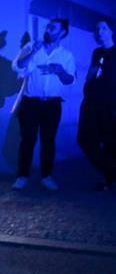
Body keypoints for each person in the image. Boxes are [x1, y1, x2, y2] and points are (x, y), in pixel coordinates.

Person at [12, 18, 76, 191]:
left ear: (62, 32)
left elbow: (70, 80)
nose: (48, 30)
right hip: (30, 103)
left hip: (52, 105)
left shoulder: (66, 55)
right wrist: (34, 52)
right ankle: (22, 176)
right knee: (28, 140)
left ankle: (46, 176)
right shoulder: (31, 46)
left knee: (48, 141)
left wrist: (61, 71)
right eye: (48, 27)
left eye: (53, 28)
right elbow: (17, 67)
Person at [79, 20, 116, 190]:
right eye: (97, 28)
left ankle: (107, 180)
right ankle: (111, 172)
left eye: (104, 28)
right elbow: (91, 75)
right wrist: (87, 86)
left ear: (111, 31)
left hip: (110, 103)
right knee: (85, 139)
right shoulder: (97, 52)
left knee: (110, 142)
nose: (99, 31)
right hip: (92, 101)